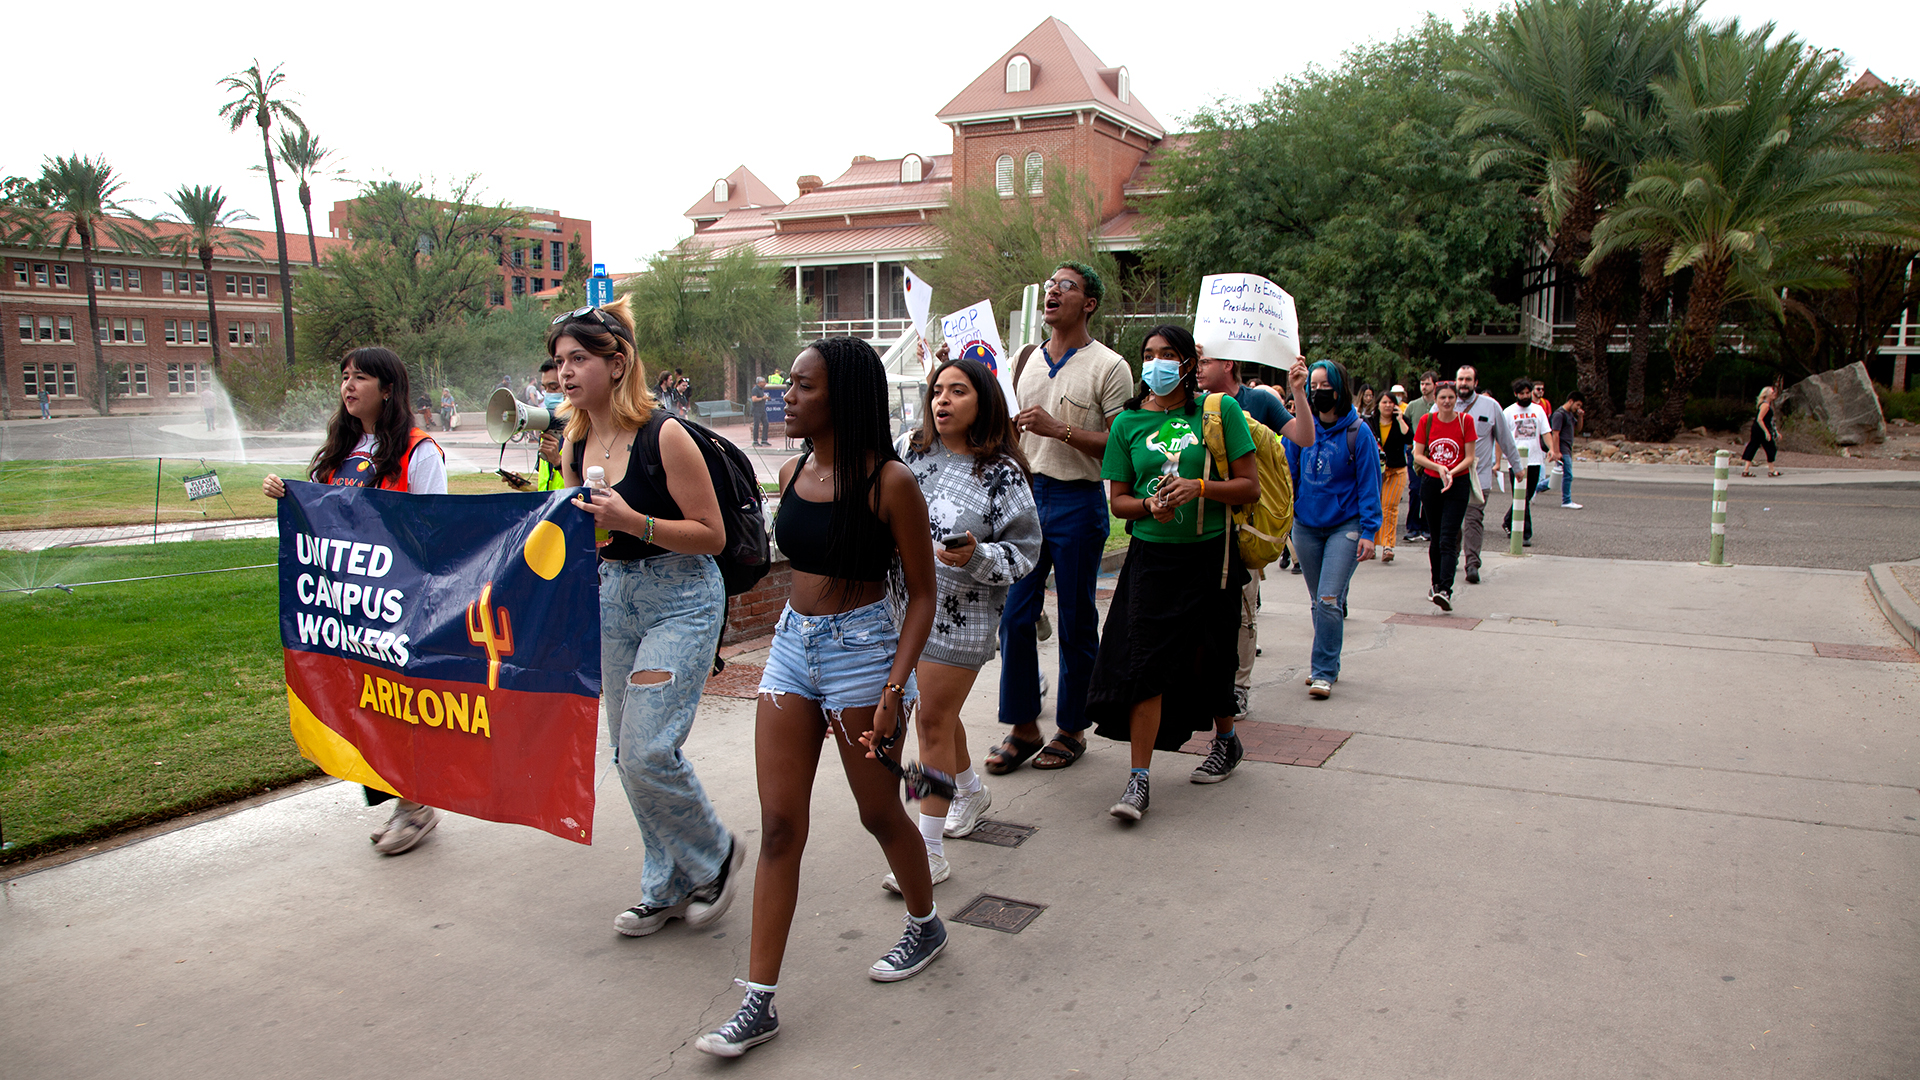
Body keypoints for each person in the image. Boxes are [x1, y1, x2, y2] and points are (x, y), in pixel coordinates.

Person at [696, 337, 940, 1058]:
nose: (786, 397)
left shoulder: (890, 482)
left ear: (842, 397)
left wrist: (897, 689)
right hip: (792, 646)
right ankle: (758, 1002)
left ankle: (926, 923)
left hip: (865, 654)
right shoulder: (794, 466)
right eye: (789, 385)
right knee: (777, 826)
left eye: (802, 386)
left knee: (877, 811)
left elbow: (922, 595)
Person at [553, 300, 746, 941]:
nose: (566, 372)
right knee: (623, 751)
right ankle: (663, 884)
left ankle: (714, 856)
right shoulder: (574, 440)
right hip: (614, 596)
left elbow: (713, 535)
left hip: (682, 595)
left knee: (646, 750)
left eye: (579, 358)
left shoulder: (666, 435)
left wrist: (631, 521)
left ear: (617, 363)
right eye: (559, 362)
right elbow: (586, 535)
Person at [262, 347, 448, 855]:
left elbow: (436, 526)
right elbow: (323, 519)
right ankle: (404, 800)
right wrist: (288, 496)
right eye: (344, 376)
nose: (348, 386)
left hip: (401, 601)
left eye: (361, 377)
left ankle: (416, 805)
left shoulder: (418, 450)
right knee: (366, 701)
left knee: (399, 703)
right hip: (347, 603)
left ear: (387, 389)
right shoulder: (339, 451)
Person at [1087, 325, 1259, 817]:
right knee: (1146, 665)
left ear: (1187, 363)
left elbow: (1249, 488)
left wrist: (1200, 488)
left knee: (1213, 654)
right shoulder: (1127, 425)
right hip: (1151, 561)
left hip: (1212, 556)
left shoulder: (1218, 412)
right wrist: (1149, 505)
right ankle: (1138, 780)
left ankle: (1226, 740)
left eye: (1166, 354)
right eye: (1148, 354)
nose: (1156, 363)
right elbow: (1119, 502)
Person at [887, 356, 1041, 890]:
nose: (942, 400)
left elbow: (1025, 552)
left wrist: (975, 555)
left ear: (983, 403)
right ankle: (968, 789)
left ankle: (926, 851)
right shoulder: (908, 451)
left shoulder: (1002, 472)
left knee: (927, 722)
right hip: (903, 610)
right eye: (937, 390)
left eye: (958, 391)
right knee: (937, 715)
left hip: (963, 616)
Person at [988, 262, 1134, 776]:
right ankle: (1023, 726)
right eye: (1049, 284)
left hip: (1078, 500)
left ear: (1089, 303)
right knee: (1014, 617)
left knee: (1075, 619)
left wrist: (1059, 429)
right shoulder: (1025, 359)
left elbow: (1122, 447)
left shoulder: (1109, 366)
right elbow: (1001, 419)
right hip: (1027, 499)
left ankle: (1072, 729)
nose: (1052, 291)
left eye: (1065, 286)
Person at [1194, 347, 1313, 726]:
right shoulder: (1192, 403)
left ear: (1228, 364)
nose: (1198, 369)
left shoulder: (1257, 401)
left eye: (1205, 362)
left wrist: (1298, 391)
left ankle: (1238, 687)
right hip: (1201, 525)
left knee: (1244, 610)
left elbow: (1305, 437)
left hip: (1245, 528)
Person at [1284, 360, 1383, 699]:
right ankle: (1329, 661)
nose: (1317, 392)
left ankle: (1322, 670)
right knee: (1318, 601)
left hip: (1346, 526)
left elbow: (1370, 484)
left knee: (1328, 599)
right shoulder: (1301, 429)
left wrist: (1371, 532)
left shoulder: (1360, 433)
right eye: (1313, 385)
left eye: (1324, 386)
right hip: (1306, 527)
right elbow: (1289, 477)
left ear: (1339, 389)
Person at [1452, 365, 1519, 585]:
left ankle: (1472, 564)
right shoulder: (1443, 404)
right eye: (1460, 379)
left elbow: (1505, 438)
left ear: (1476, 382)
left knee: (1472, 520)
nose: (1463, 383)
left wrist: (1516, 467)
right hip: (1450, 475)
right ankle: (1450, 559)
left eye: (1468, 379)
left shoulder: (1490, 406)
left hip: (1478, 476)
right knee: (1452, 522)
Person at [1412, 381, 1476, 611]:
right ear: (1436, 400)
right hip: (1431, 482)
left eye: (1451, 397)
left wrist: (1452, 471)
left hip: (1457, 483)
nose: (1447, 402)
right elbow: (1418, 454)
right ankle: (1435, 582)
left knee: (1449, 536)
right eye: (1442, 398)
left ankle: (1445, 589)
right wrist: (1438, 468)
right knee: (1436, 536)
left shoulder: (1465, 421)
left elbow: (1470, 456)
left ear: (1456, 399)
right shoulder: (1426, 421)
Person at [1501, 378, 1552, 547]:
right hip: (1515, 460)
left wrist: (1552, 449)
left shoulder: (1538, 410)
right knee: (1519, 495)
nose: (1525, 396)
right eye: (1521, 393)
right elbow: (1502, 437)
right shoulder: (1508, 412)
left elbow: (1546, 432)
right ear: (1516, 394)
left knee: (1526, 496)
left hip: (1535, 459)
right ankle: (1524, 533)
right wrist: (1499, 458)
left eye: (1527, 393)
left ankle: (1508, 520)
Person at [1372, 391, 1411, 564]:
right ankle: (1370, 543)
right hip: (1376, 471)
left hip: (1396, 470)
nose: (1388, 405)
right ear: (1378, 405)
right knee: (1374, 506)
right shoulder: (1370, 422)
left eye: (1391, 403)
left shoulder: (1401, 421)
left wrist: (1400, 419)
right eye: (1384, 402)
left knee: (1389, 507)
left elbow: (1409, 438)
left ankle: (1388, 546)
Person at [1401, 371, 1438, 542]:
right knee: (1415, 489)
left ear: (1435, 385)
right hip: (1415, 451)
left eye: (1427, 384)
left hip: (1435, 453)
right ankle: (1413, 526)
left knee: (1431, 490)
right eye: (1422, 384)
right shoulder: (1413, 405)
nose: (1424, 387)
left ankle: (1428, 526)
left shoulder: (1440, 404)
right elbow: (1405, 426)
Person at [533, 359, 566, 492]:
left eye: (554, 388)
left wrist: (557, 462)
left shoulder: (585, 432)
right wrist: (524, 486)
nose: (549, 394)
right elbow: (546, 486)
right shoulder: (547, 432)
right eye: (545, 388)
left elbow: (587, 488)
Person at [1550, 391, 1585, 508]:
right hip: (1562, 449)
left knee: (1561, 476)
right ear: (1571, 401)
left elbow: (1578, 429)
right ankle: (1566, 500)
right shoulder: (1559, 414)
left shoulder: (1570, 414)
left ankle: (1536, 488)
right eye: (1578, 405)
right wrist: (1556, 451)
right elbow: (1555, 434)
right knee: (1568, 475)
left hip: (1568, 449)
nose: (1578, 408)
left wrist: (1580, 417)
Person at [1742, 386, 1782, 477]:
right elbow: (1760, 419)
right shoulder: (1765, 405)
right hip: (1760, 429)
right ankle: (1771, 471)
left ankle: (1746, 470)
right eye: (1772, 393)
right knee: (1769, 447)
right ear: (1767, 394)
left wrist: (1776, 432)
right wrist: (1766, 432)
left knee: (1754, 447)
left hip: (1759, 429)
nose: (1774, 394)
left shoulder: (1767, 405)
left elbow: (1770, 421)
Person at [749, 377, 771, 446]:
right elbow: (754, 399)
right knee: (756, 425)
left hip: (762, 409)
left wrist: (766, 398)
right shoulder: (755, 389)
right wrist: (762, 398)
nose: (765, 383)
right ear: (759, 382)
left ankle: (764, 440)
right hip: (756, 410)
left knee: (766, 424)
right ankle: (755, 441)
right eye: (763, 382)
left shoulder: (761, 389)